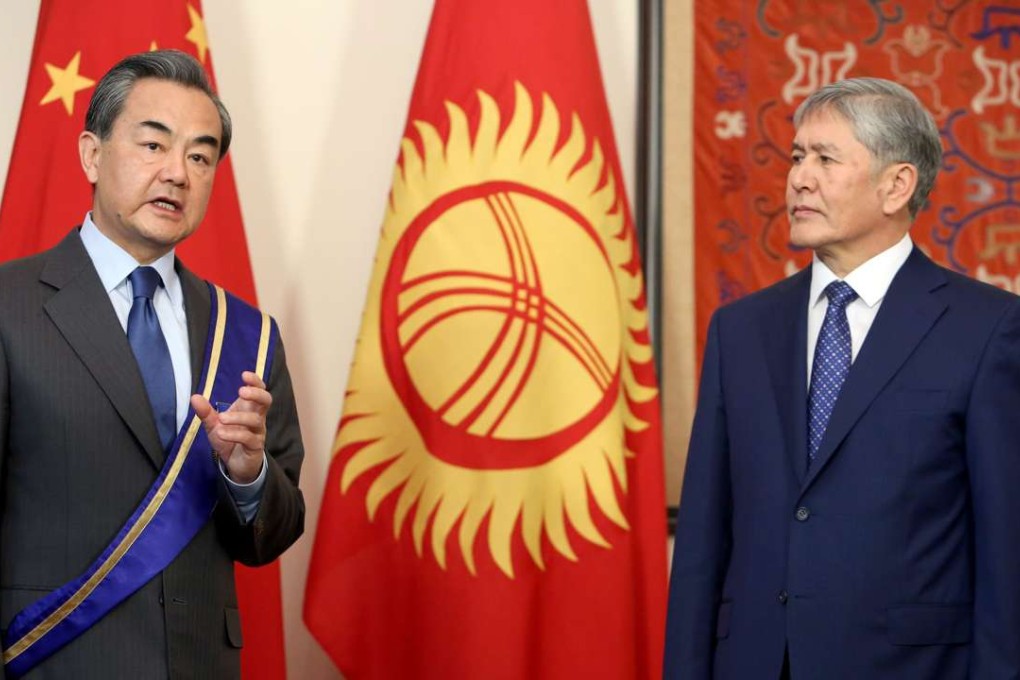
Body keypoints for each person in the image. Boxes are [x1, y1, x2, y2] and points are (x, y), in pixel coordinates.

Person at [664, 77, 1020, 679]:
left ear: (896, 186)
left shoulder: (988, 329)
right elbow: (703, 539)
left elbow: (1006, 550)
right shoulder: (740, 329)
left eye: (825, 159)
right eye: (796, 157)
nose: (800, 179)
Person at [0, 50, 304, 678]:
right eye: (153, 145)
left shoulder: (246, 335)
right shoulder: (10, 306)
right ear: (92, 155)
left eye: (200, 157)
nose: (177, 174)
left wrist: (247, 476)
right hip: (50, 659)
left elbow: (271, 537)